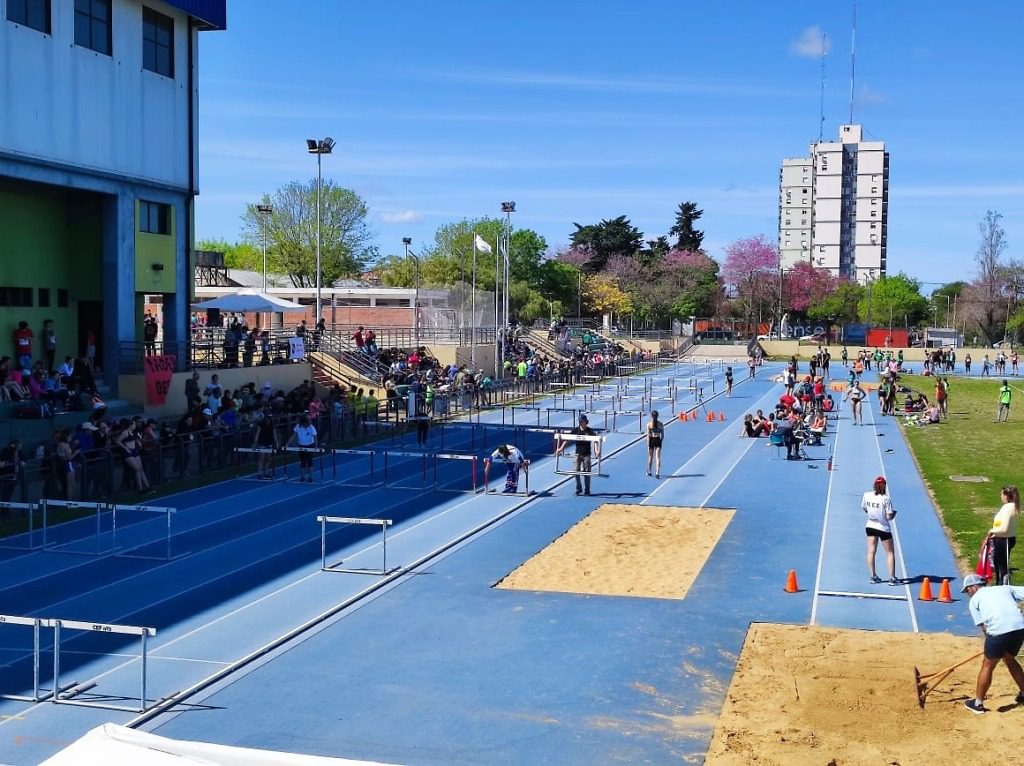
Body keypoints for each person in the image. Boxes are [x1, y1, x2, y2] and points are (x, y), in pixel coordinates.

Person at [960, 574, 1024, 714]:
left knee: (988, 665)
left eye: (967, 590)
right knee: (1009, 659)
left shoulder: (974, 601)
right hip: (1019, 628)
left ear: (974, 587)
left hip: (998, 632)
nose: (968, 594)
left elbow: (984, 628)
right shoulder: (1004, 588)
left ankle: (977, 704)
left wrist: (994, 645)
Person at [862, 475, 898, 585]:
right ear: (884, 486)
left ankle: (873, 576)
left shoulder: (866, 495)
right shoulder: (886, 499)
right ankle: (892, 578)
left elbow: (864, 508)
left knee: (871, 551)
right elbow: (888, 517)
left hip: (870, 526)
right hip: (883, 528)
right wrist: (893, 514)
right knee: (890, 552)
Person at [555, 414, 598, 496]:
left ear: (586, 421)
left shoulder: (589, 431)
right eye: (580, 421)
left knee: (587, 472)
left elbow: (596, 440)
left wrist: (597, 450)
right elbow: (567, 439)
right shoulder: (576, 430)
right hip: (577, 454)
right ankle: (578, 489)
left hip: (587, 454)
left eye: (582, 421)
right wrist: (561, 449)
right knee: (575, 471)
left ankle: (587, 490)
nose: (581, 423)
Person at [989, 486, 1020, 586]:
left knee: (1002, 565)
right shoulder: (1007, 506)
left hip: (1005, 539)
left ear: (1006, 496)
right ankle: (999, 583)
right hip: (1000, 538)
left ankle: (1003, 585)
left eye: (1001, 494)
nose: (1000, 496)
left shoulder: (1010, 508)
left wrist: (992, 531)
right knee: (997, 563)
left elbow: (1004, 528)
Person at [286, 414, 318, 482]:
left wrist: (316, 446)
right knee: (303, 462)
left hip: (310, 445)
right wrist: (287, 444)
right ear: (303, 423)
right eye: (306, 423)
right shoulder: (298, 426)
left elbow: (315, 437)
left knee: (309, 461)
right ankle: (302, 477)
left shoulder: (311, 427)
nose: (307, 425)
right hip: (301, 446)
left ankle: (310, 477)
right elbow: (293, 436)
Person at [253, 413, 278, 479]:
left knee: (269, 459)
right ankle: (259, 474)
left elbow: (274, 433)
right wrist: (255, 443)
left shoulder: (272, 423)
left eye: (271, 418)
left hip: (269, 442)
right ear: (266, 418)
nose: (270, 420)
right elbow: (257, 434)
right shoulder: (261, 423)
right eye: (269, 418)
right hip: (262, 442)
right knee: (261, 458)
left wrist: (276, 442)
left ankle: (266, 473)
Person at [646, 411, 664, 479]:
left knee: (650, 457)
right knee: (658, 457)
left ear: (651, 416)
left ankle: (649, 471)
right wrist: (660, 441)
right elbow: (662, 435)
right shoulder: (661, 424)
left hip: (651, 440)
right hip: (658, 440)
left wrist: (648, 444)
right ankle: (657, 473)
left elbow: (648, 435)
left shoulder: (649, 424)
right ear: (658, 416)